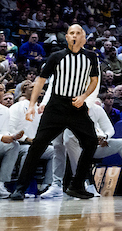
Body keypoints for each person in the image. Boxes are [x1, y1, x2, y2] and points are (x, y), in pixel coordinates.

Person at [9, 24, 100, 200]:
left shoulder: (91, 57)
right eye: (71, 33)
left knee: (91, 142)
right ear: (66, 37)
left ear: (84, 38)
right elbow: (40, 81)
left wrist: (84, 96)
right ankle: (20, 188)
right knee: (37, 146)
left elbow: (94, 80)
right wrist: (31, 106)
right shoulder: (56, 56)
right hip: (56, 105)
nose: (74, 36)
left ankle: (76, 185)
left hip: (77, 105)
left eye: (78, 33)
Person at [49, 96, 122, 198]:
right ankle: (66, 184)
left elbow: (110, 129)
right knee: (62, 145)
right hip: (75, 147)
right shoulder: (69, 111)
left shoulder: (97, 110)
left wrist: (104, 137)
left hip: (93, 146)